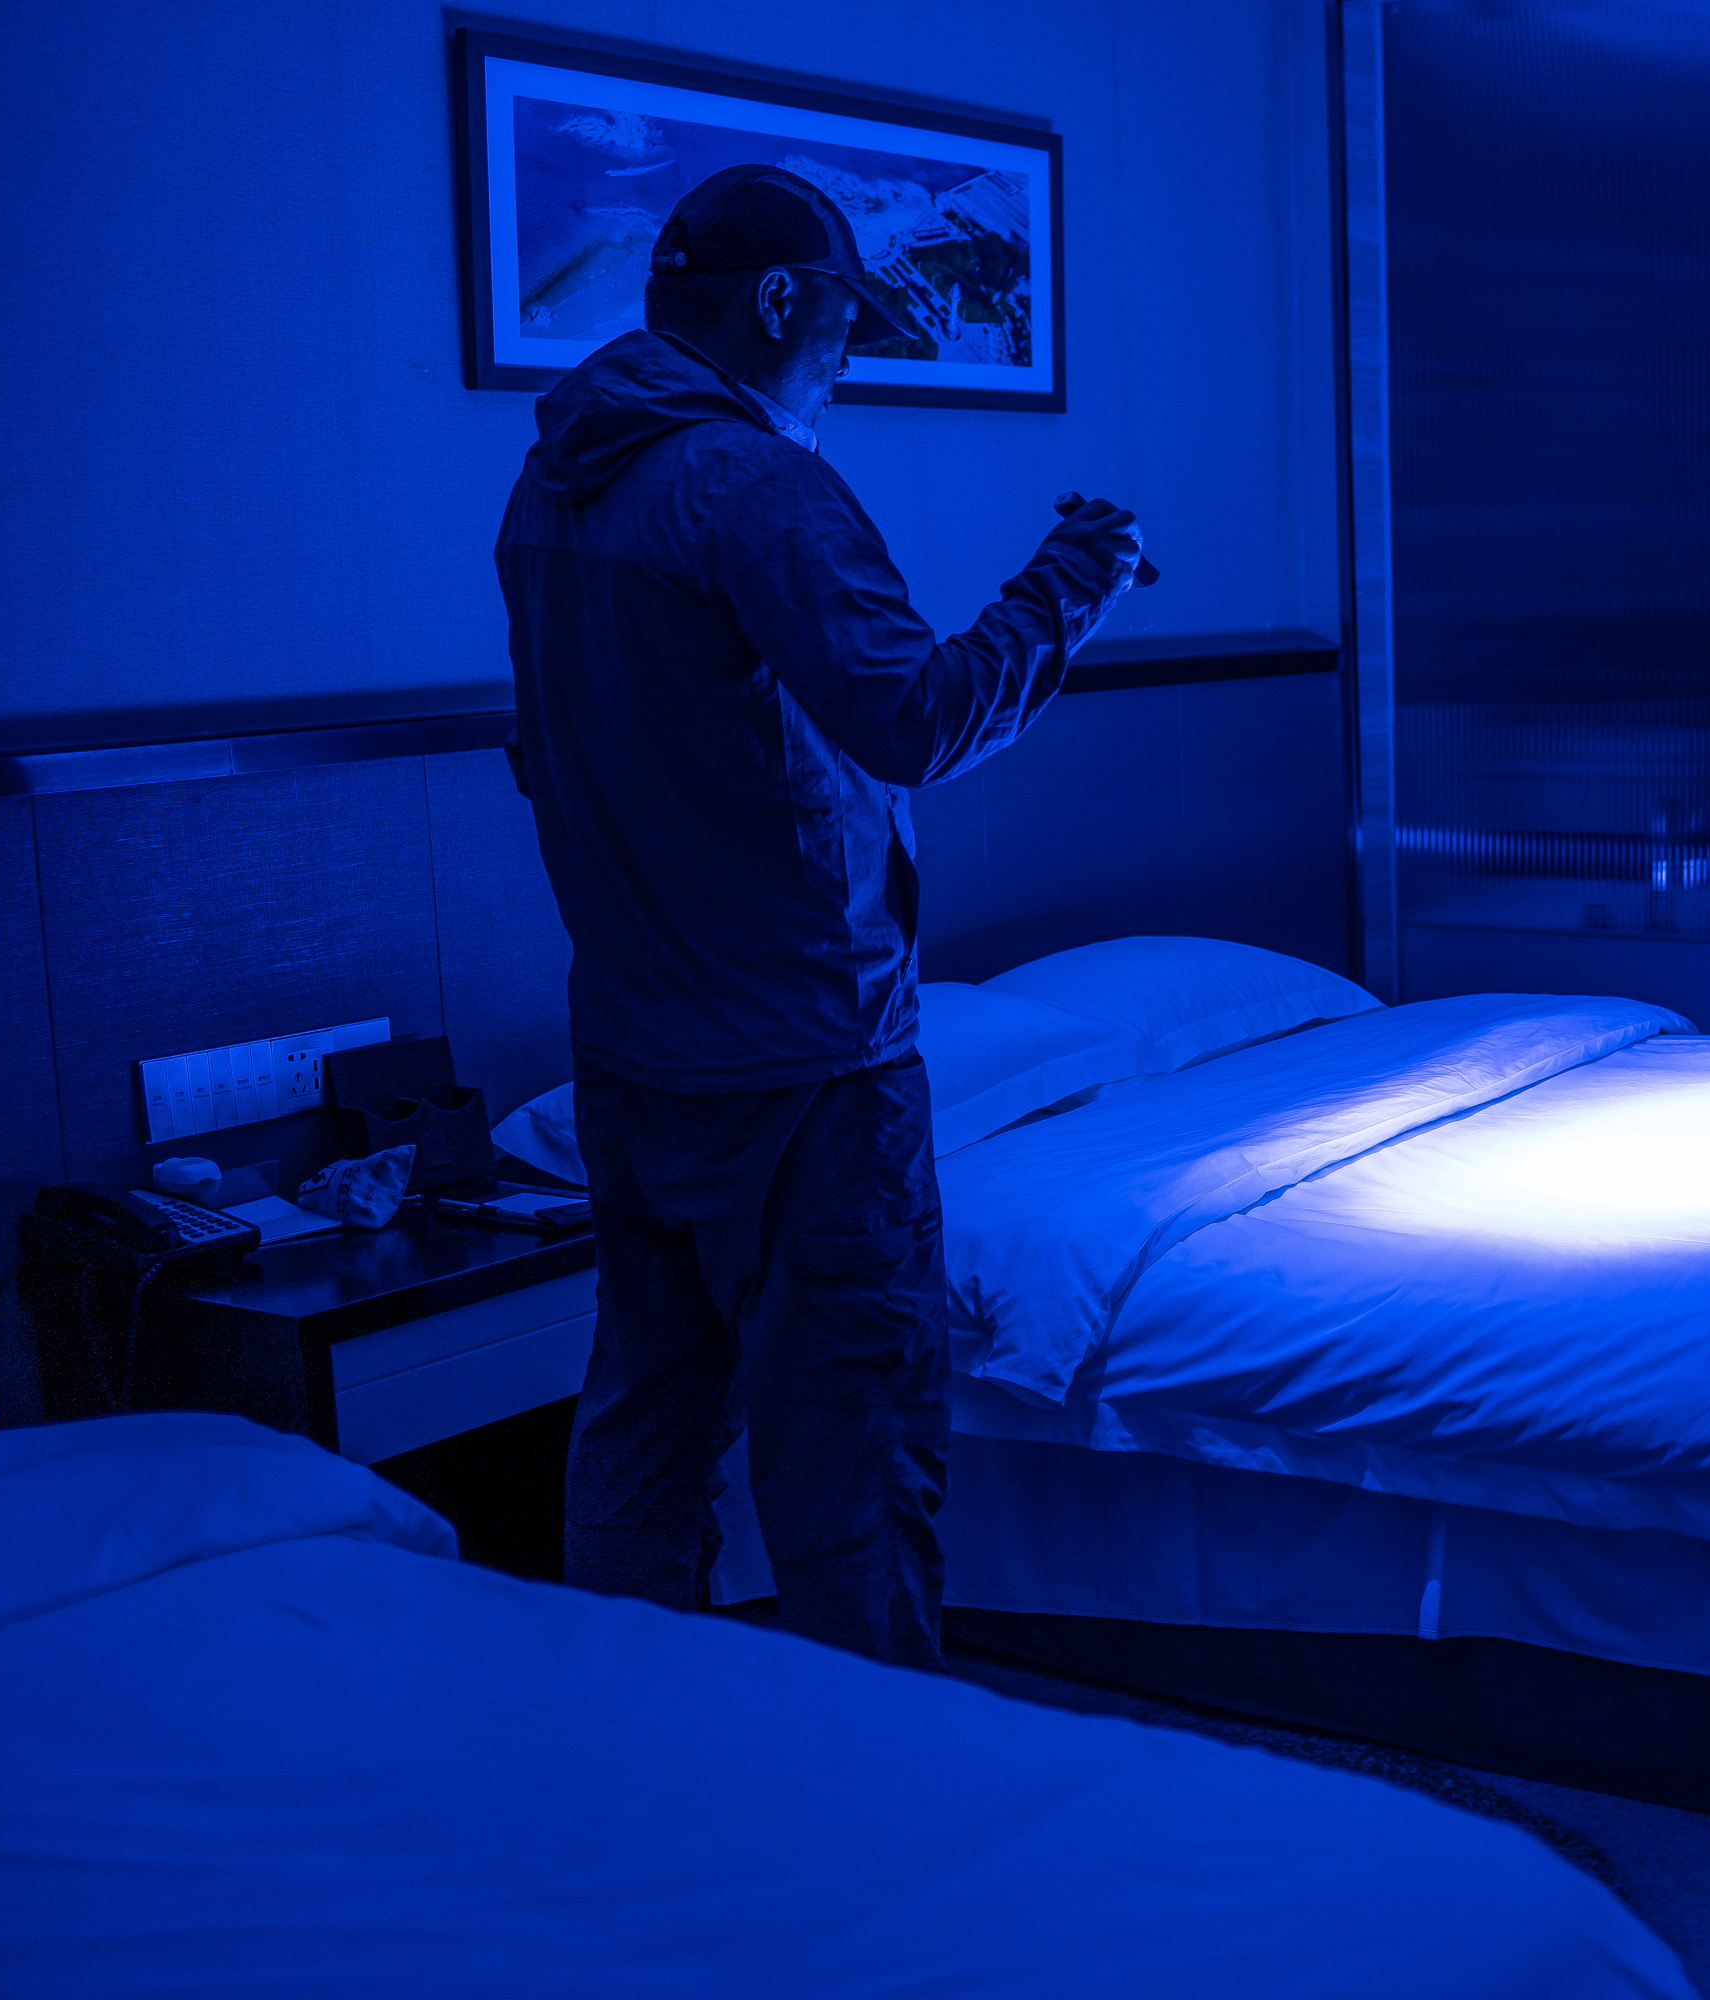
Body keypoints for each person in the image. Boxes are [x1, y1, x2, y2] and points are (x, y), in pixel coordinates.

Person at [493, 164, 1141, 1667]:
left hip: (636, 1044)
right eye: (844, 318)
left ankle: (640, 1734)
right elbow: (911, 723)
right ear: (783, 301)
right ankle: (880, 1786)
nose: (847, 355)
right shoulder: (754, 485)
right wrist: (1064, 590)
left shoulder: (553, 484)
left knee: (647, 1416)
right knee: (849, 1438)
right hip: (804, 1055)